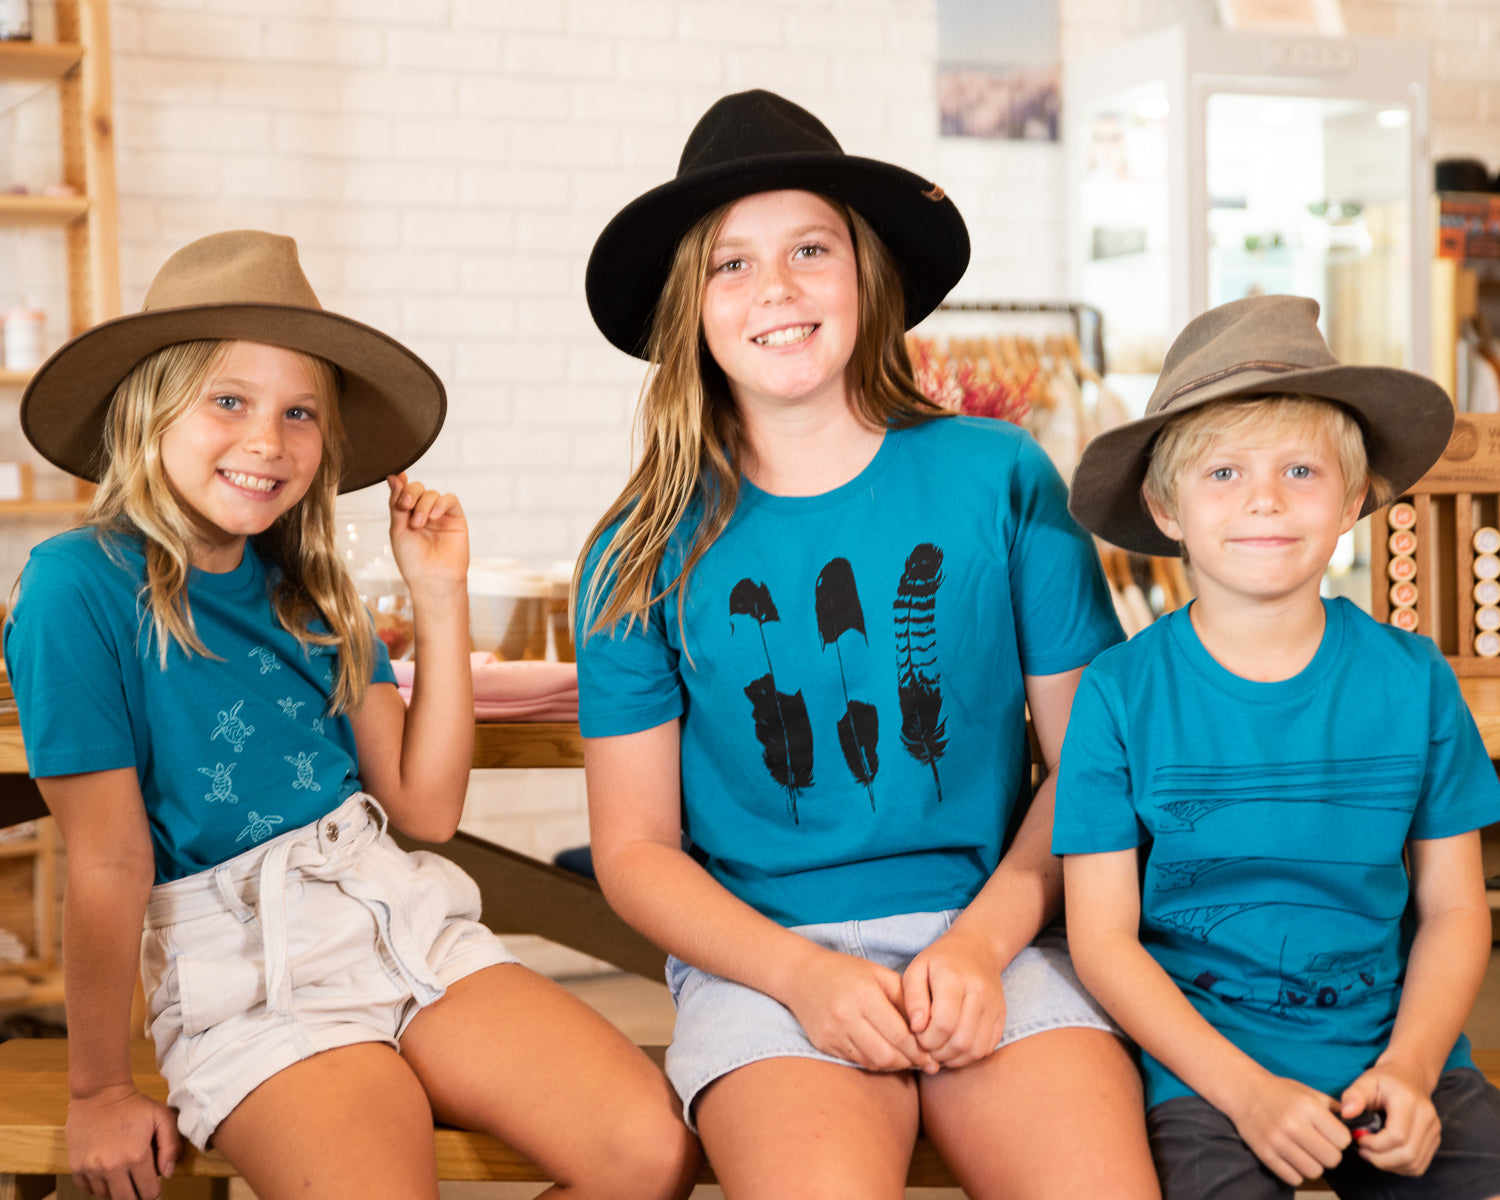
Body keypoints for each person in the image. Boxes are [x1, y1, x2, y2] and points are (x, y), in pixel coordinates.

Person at [4, 231, 698, 1200]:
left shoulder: (315, 591)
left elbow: (424, 809)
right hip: (250, 970)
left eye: (299, 413)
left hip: (400, 922)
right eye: (229, 402)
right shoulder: (75, 588)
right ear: (147, 408)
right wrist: (99, 1087)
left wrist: (440, 594)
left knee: (651, 1152)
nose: (267, 440)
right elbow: (111, 860)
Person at [574, 89, 1160, 1198]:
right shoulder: (638, 546)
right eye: (731, 265)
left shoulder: (1001, 479)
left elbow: (1088, 768)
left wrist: (984, 947)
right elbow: (636, 852)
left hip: (996, 932)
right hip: (762, 961)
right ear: (686, 310)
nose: (778, 289)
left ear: (868, 276)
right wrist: (801, 975)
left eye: (810, 249)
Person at [1054, 294, 1500, 1200]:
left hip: (1402, 1059)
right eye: (1222, 473)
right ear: (1164, 505)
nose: (1263, 498)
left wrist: (1412, 1072)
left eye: (1301, 469)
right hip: (1207, 1079)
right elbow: (1103, 942)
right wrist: (1245, 1093)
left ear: (1357, 499)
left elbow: (1456, 911)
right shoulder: (1120, 693)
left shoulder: (1413, 682)